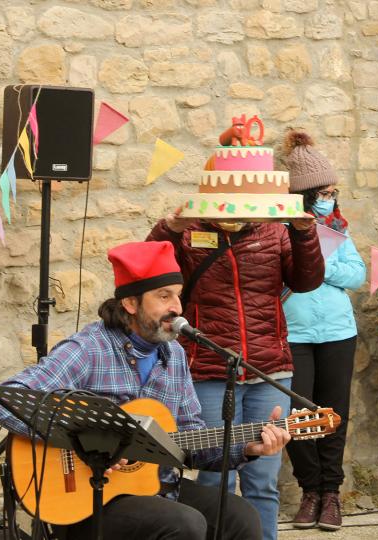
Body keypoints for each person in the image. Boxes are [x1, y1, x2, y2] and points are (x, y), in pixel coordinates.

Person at [0, 241, 292, 539]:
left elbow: (189, 444)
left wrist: (248, 448)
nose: (176, 308)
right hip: (90, 499)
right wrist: (86, 444)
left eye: (178, 296)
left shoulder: (175, 358)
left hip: (158, 488)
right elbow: (4, 402)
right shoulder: (89, 349)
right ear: (130, 303)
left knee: (240, 517)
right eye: (163, 296)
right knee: (184, 523)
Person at [147, 191, 324, 539]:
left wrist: (304, 234)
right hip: (208, 370)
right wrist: (170, 227)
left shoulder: (274, 231)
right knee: (216, 478)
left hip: (268, 368)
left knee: (264, 482)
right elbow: (152, 270)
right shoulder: (190, 231)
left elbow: (307, 280)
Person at [278, 130, 365, 531]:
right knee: (298, 417)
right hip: (294, 335)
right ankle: (309, 490)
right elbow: (279, 278)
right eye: (324, 191)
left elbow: (358, 274)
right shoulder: (280, 229)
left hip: (337, 333)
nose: (331, 196)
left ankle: (332, 493)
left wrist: (318, 267)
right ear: (306, 193)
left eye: (334, 190)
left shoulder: (337, 230)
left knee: (334, 414)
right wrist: (311, 268)